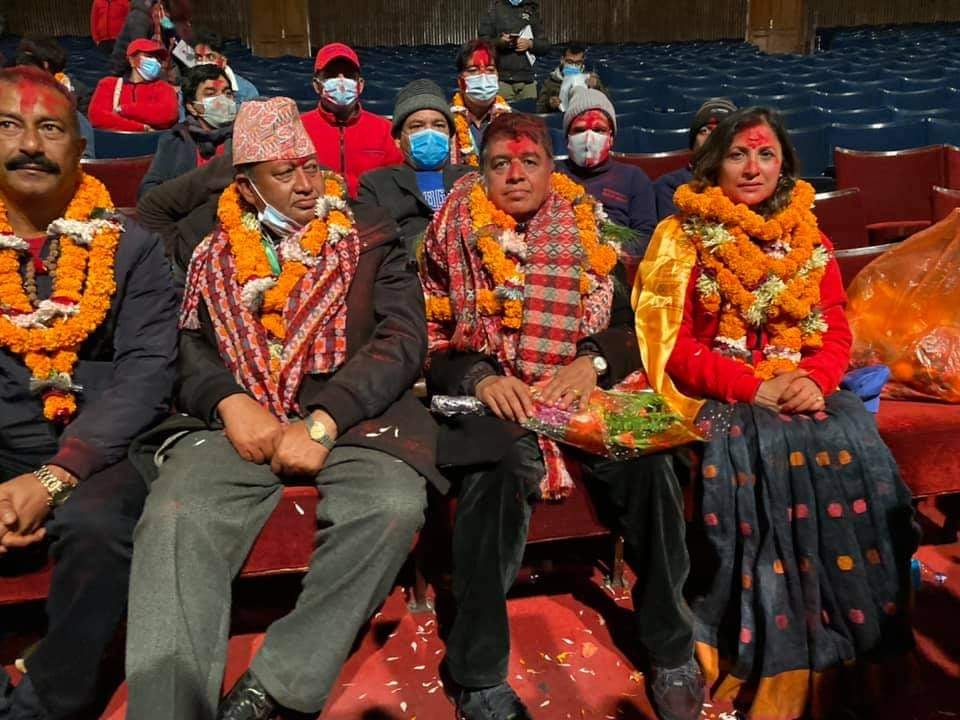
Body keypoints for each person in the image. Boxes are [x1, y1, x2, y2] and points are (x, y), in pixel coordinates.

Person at [125, 96, 444, 720]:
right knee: (176, 515)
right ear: (245, 185)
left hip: (353, 415)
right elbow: (181, 339)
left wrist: (326, 419)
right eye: (283, 172)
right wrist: (226, 400)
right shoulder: (203, 239)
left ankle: (277, 685)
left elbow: (402, 338)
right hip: (239, 416)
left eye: (310, 167)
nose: (305, 185)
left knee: (391, 503)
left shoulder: (366, 228)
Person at [634, 106, 917, 719]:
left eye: (765, 154)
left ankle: (855, 648)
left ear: (784, 164)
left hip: (805, 386)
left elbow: (834, 327)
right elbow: (672, 344)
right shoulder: (681, 237)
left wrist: (815, 379)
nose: (752, 167)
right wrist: (751, 387)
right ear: (715, 164)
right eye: (738, 154)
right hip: (724, 393)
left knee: (856, 453)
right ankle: (764, 647)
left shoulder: (807, 235)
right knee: (763, 455)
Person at [420, 112, 704, 720]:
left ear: (552, 169)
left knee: (651, 471)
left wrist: (591, 363)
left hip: (581, 390)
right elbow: (433, 337)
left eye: (530, 162)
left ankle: (670, 647)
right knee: (495, 474)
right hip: (495, 396)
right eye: (500, 164)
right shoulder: (451, 231)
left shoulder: (587, 224)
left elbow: (629, 327)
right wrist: (482, 377)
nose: (515, 175)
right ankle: (477, 675)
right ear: (481, 171)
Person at [0, 66, 177, 720]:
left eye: (50, 128)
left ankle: (47, 704)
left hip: (100, 449)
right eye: (9, 125)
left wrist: (53, 478)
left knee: (96, 526)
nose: (30, 144)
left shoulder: (132, 249)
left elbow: (147, 373)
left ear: (79, 149)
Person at [357, 79, 473, 262]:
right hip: (407, 273)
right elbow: (375, 248)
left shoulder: (473, 178)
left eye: (439, 125)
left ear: (450, 136)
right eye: (417, 126)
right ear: (397, 139)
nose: (429, 133)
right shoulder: (376, 184)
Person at [558, 89, 656, 265]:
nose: (588, 138)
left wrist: (607, 251)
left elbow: (645, 237)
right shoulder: (550, 173)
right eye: (579, 130)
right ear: (567, 139)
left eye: (599, 130)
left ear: (611, 138)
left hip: (615, 264)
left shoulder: (634, 177)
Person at [300, 42, 402, 198]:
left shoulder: (384, 130)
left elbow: (396, 183)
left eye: (348, 75)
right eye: (331, 75)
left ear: (360, 85)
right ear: (316, 85)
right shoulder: (299, 128)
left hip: (372, 210)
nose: (341, 82)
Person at [138, 63, 235, 200]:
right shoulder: (175, 139)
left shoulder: (245, 138)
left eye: (228, 93)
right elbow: (148, 192)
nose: (222, 100)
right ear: (192, 107)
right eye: (210, 94)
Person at [654, 97, 736, 221]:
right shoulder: (670, 185)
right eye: (705, 130)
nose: (712, 138)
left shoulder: (745, 183)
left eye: (722, 132)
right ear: (693, 142)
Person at [89, 37, 179, 132]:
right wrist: (140, 128)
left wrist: (124, 110)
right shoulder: (109, 84)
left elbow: (168, 115)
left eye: (158, 59)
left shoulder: (165, 88)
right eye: (149, 56)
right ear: (131, 60)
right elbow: (97, 117)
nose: (155, 61)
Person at [450, 39, 511, 167]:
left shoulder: (513, 121)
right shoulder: (445, 122)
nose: (483, 77)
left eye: (490, 70)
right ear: (460, 81)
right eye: (473, 70)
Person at [478, 0, 548, 102]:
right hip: (501, 81)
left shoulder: (532, 10)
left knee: (529, 112)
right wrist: (500, 42)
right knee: (503, 112)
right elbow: (482, 43)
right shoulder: (494, 10)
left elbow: (545, 46)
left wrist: (530, 44)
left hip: (528, 81)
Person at [536, 41, 609, 113]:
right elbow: (539, 110)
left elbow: (608, 104)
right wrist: (549, 104)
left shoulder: (591, 79)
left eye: (578, 63)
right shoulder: (550, 82)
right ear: (562, 60)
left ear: (582, 61)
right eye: (570, 62)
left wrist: (596, 87)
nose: (573, 66)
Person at [192, 28, 259, 105]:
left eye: (210, 57)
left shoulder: (247, 91)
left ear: (223, 60)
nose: (203, 63)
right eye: (198, 57)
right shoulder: (187, 88)